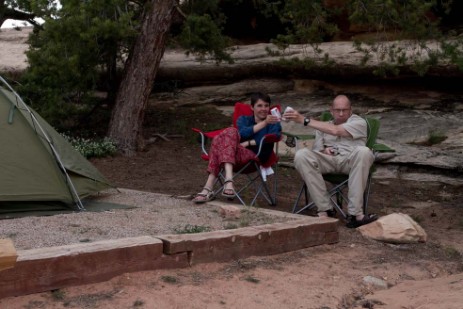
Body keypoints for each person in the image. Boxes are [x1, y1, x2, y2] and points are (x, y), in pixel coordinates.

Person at [283, 94, 377, 228]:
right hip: (329, 161)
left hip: (350, 162)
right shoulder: (323, 126)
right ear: (331, 110)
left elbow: (336, 131)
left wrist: (304, 120)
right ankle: (325, 209)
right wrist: (324, 151)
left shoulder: (359, 122)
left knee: (364, 152)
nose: (341, 113)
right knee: (302, 155)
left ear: (350, 110)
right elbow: (318, 149)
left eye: (344, 110)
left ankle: (356, 214)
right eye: (337, 110)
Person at [193, 92, 282, 203]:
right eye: (259, 105)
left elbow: (275, 137)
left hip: (255, 156)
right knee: (230, 131)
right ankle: (228, 181)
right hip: (233, 154)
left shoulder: (273, 122)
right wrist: (264, 124)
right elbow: (242, 133)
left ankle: (208, 188)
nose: (264, 109)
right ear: (252, 107)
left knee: (220, 140)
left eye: (266, 105)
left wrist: (248, 143)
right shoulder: (243, 120)